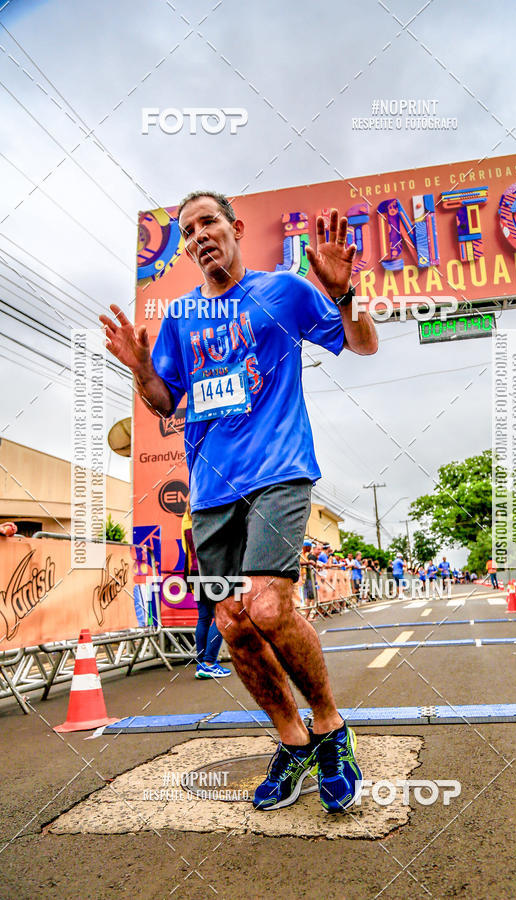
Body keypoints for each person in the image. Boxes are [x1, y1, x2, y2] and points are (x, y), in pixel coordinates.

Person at [100, 192, 377, 813]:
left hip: (278, 472)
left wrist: (343, 293)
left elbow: (362, 346)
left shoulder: (284, 290)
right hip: (212, 491)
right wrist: (142, 370)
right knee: (232, 623)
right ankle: (292, 740)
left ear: (235, 229)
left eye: (208, 222)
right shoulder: (178, 316)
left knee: (269, 605)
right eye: (187, 228)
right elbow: (165, 401)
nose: (198, 234)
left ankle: (331, 728)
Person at [181, 501, 230, 678]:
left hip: (194, 571)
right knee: (221, 617)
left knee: (203, 618)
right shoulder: (210, 516)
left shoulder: (186, 519)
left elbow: (186, 549)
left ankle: (202, 663)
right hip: (213, 571)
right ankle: (209, 662)